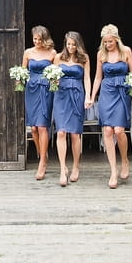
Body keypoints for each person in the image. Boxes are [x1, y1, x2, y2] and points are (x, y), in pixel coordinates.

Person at [88, 24, 132, 189]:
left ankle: (124, 160)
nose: (108, 44)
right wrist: (92, 97)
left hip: (123, 92)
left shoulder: (126, 51)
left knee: (119, 130)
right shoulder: (101, 54)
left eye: (110, 41)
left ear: (116, 40)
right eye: (105, 42)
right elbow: (97, 78)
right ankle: (113, 171)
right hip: (107, 92)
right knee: (107, 130)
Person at [53, 31, 91, 187]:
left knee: (75, 134)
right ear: (65, 44)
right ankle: (63, 169)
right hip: (61, 95)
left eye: (73, 44)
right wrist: (53, 81)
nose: (70, 47)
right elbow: (52, 77)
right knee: (61, 131)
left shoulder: (84, 58)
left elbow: (87, 78)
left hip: (77, 94)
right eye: (68, 44)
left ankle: (76, 166)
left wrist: (88, 96)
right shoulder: (58, 58)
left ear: (78, 45)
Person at [22, 25, 57, 181]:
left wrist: (54, 82)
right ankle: (42, 154)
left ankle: (42, 162)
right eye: (34, 39)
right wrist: (19, 78)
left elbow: (55, 73)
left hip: (45, 89)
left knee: (42, 126)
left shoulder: (52, 53)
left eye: (39, 39)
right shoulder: (28, 52)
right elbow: (23, 71)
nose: (36, 41)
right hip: (31, 90)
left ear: (45, 39)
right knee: (34, 128)